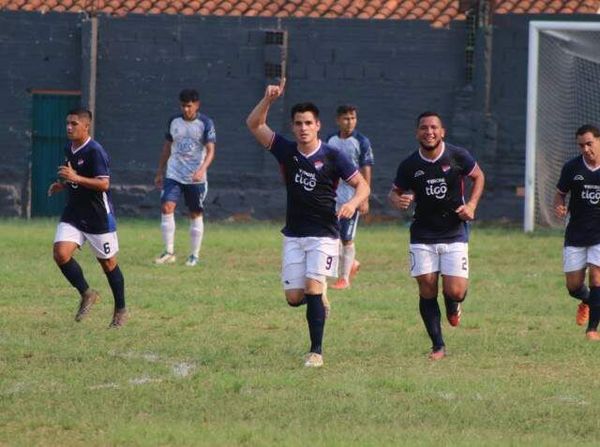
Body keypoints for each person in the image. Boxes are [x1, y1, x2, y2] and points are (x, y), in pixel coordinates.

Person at [246, 78, 370, 368]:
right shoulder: (286, 151)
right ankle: (319, 298)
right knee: (293, 297)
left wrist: (352, 203)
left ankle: (316, 352)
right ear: (293, 127)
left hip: (324, 234)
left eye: (308, 123)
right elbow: (254, 124)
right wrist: (268, 100)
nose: (303, 128)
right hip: (294, 234)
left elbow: (362, 185)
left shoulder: (333, 155)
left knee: (313, 288)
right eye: (298, 123)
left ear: (318, 126)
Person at [388, 111, 484, 360]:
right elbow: (394, 193)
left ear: (442, 132)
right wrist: (400, 200)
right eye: (423, 128)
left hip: (454, 232)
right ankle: (438, 345)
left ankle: (454, 304)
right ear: (417, 132)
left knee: (456, 291)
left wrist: (471, 205)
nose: (429, 132)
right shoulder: (409, 165)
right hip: (422, 234)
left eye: (433, 128)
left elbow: (478, 176)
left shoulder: (457, 156)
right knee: (427, 288)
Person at [48, 108, 127, 328]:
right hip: (74, 212)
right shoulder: (69, 148)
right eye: (67, 123)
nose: (69, 127)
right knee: (60, 253)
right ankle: (86, 293)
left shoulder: (95, 151)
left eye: (74, 123)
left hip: (97, 217)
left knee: (108, 264)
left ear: (86, 126)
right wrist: (63, 184)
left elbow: (103, 184)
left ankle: (120, 309)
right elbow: (75, 178)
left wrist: (75, 177)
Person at [154, 89, 216, 267]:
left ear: (197, 105)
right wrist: (160, 171)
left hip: (195, 177)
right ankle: (169, 252)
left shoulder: (205, 123)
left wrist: (201, 169)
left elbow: (211, 151)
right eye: (183, 106)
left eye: (189, 106)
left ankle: (194, 255)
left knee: (195, 213)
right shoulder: (174, 121)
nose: (186, 109)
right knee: (167, 207)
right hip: (174, 174)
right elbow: (167, 147)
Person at [554, 124, 600, 340]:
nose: (585, 149)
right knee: (573, 286)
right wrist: (559, 205)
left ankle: (592, 330)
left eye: (589, 143)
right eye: (581, 145)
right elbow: (560, 193)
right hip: (576, 233)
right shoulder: (572, 167)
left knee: (597, 278)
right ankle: (587, 301)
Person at [326, 105, 374, 290]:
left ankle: (344, 279)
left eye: (353, 118)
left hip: (351, 198)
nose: (350, 122)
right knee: (331, 235)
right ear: (338, 120)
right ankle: (351, 263)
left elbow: (366, 169)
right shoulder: (331, 140)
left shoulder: (361, 141)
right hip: (332, 196)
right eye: (346, 118)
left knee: (346, 237)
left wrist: (363, 198)